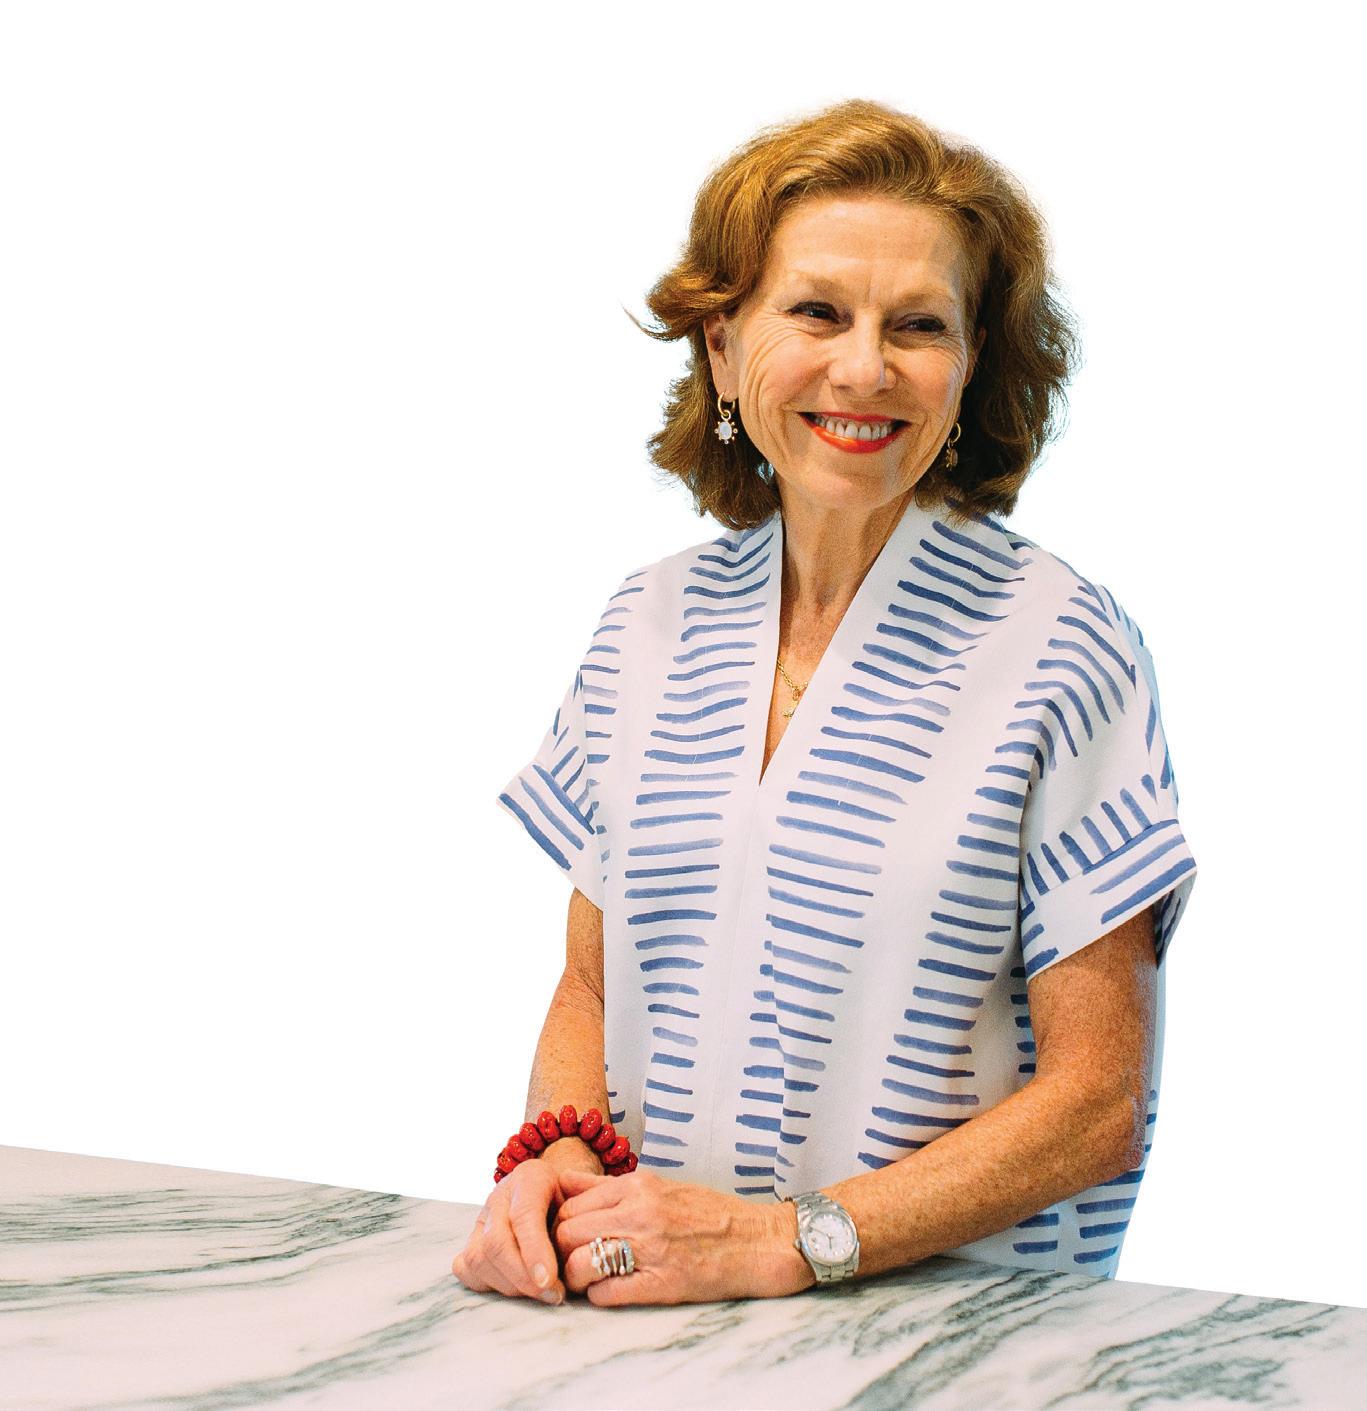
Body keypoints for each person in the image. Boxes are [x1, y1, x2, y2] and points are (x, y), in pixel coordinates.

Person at [452, 97, 1198, 1309]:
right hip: (654, 1316)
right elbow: (591, 989)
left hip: (956, 1347)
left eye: (917, 324)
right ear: (721, 347)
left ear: (969, 365)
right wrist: (559, 1164)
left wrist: (786, 1240)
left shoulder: (1060, 645)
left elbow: (1093, 1102)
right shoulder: (644, 625)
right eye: (814, 312)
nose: (863, 367)